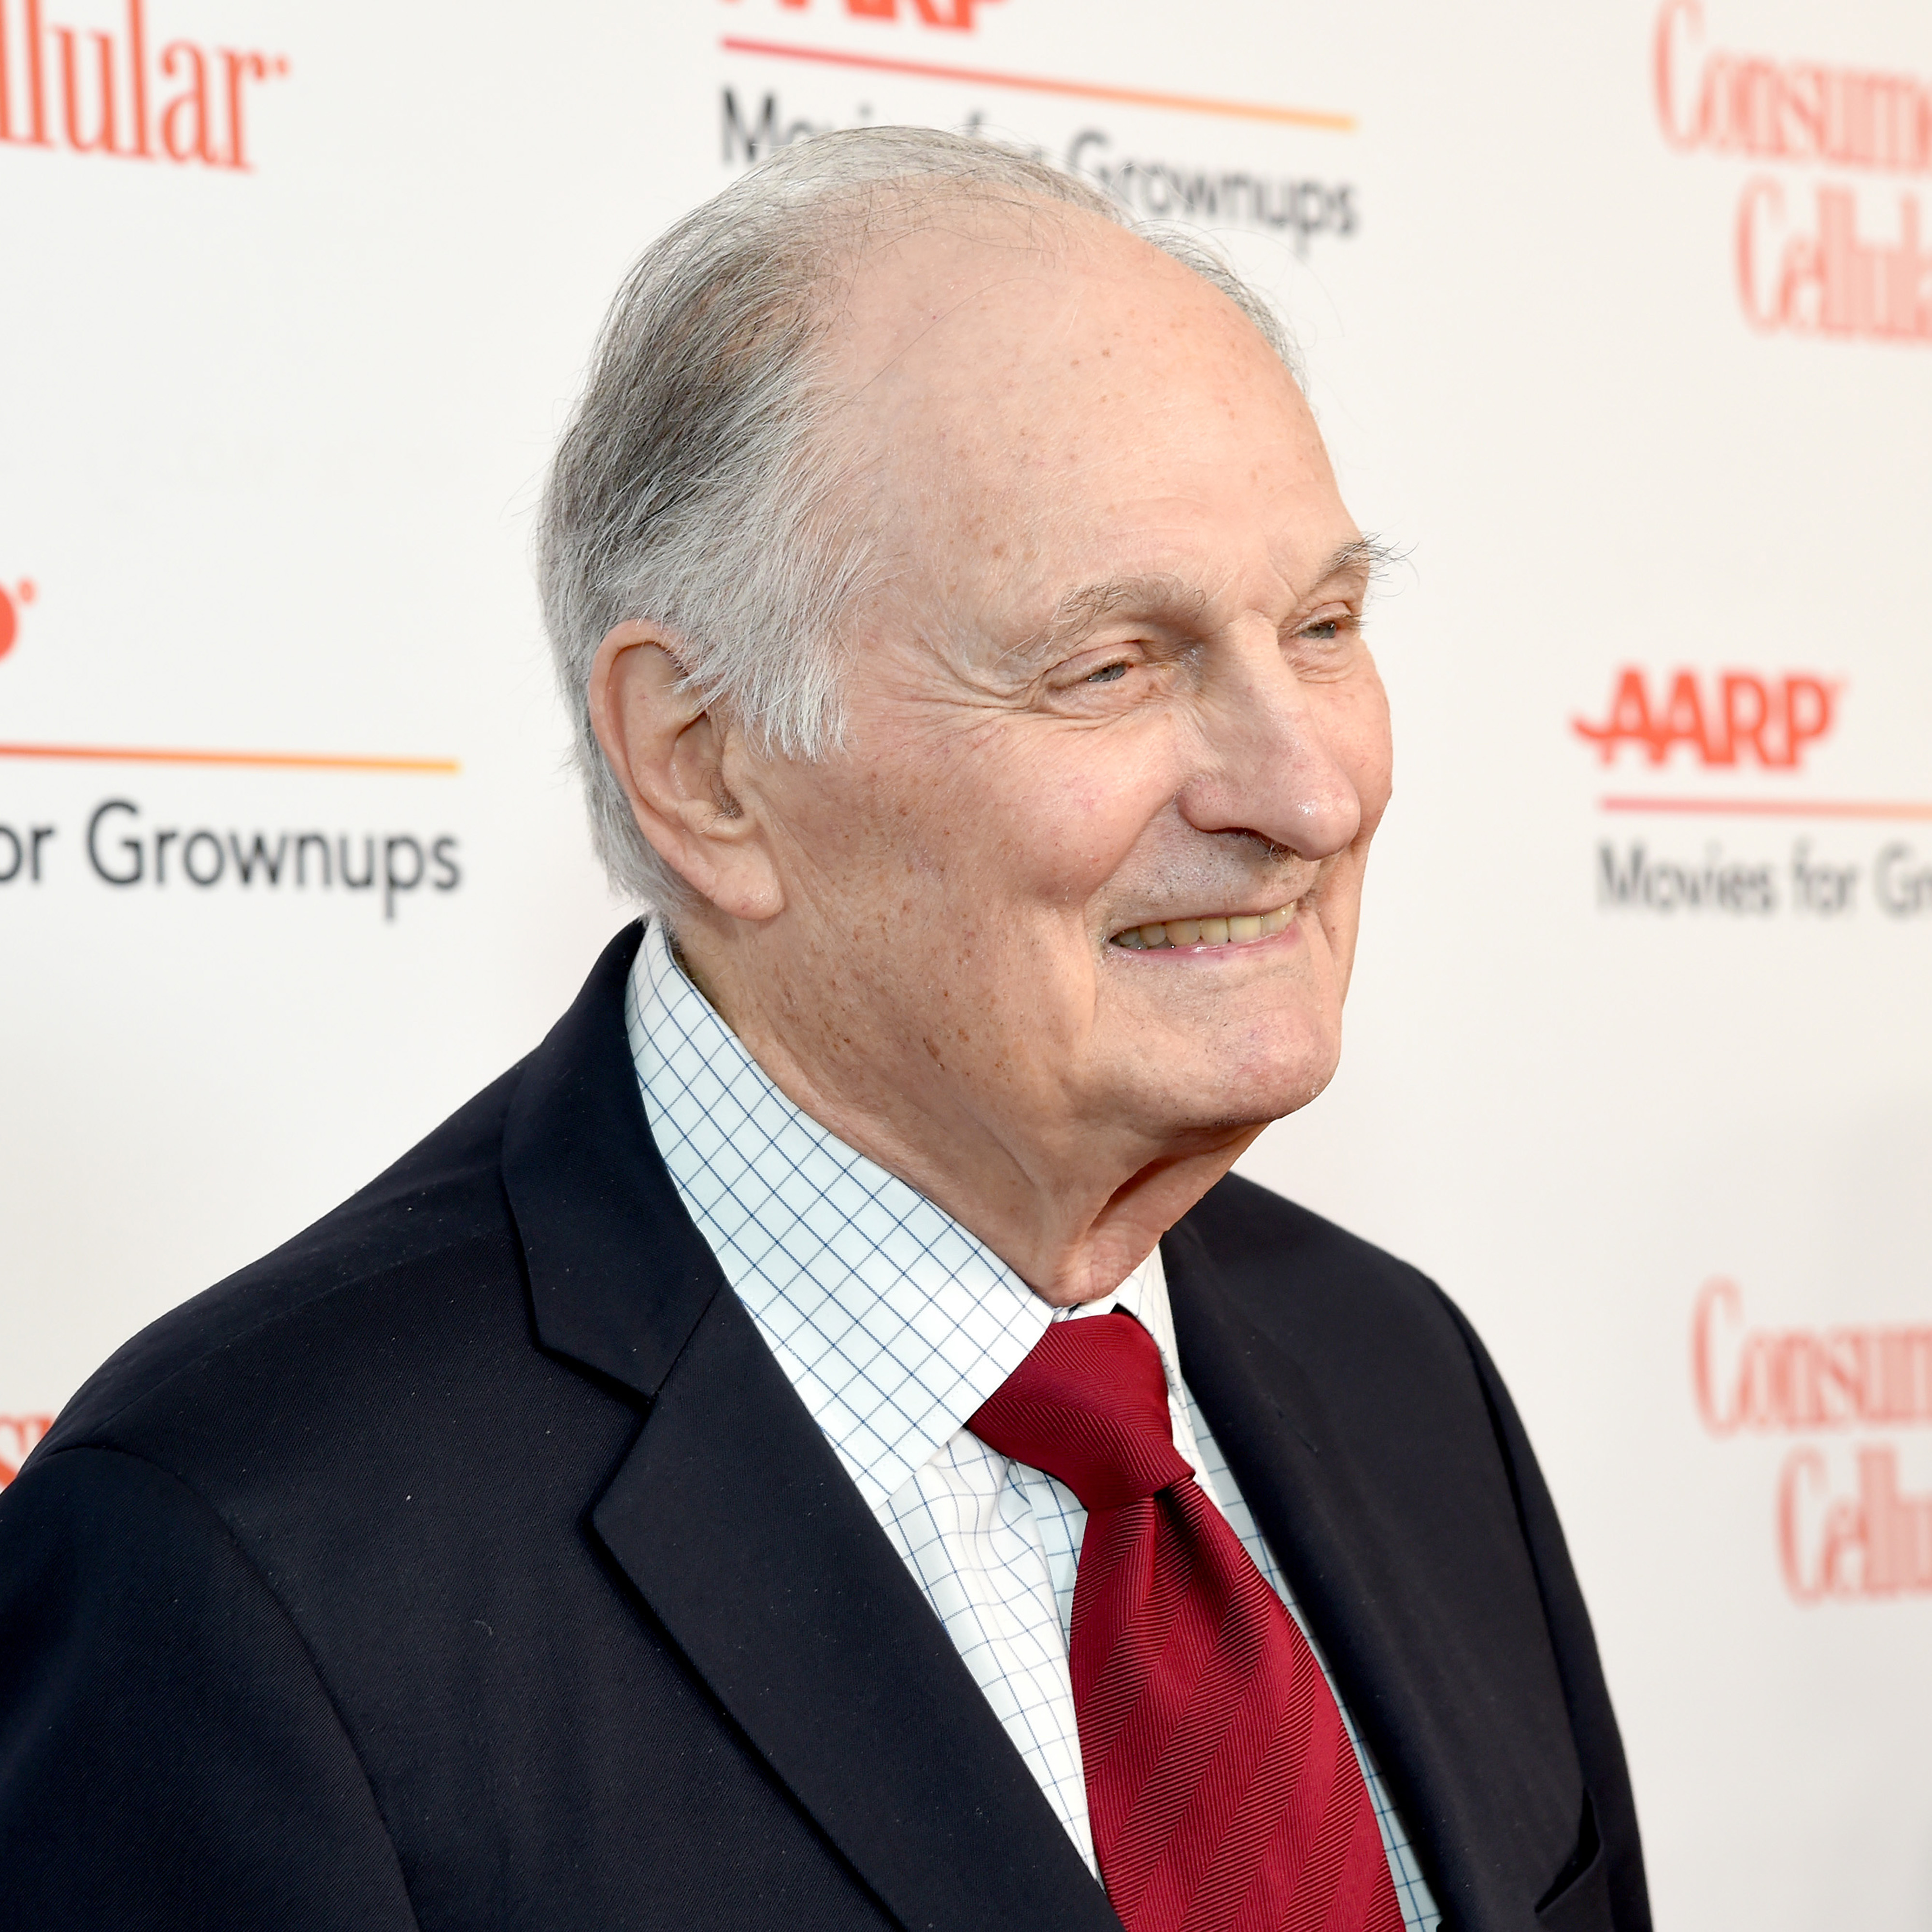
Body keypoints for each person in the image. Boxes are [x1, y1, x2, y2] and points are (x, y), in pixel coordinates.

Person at [0, 128, 1648, 1932]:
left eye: (1323, 626)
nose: (1312, 788)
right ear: (703, 765)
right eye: (1111, 665)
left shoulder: (1397, 1373)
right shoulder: (245, 1566)